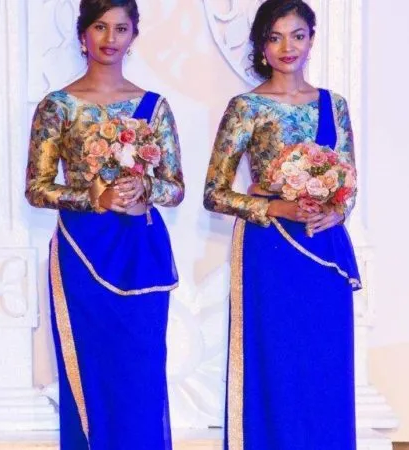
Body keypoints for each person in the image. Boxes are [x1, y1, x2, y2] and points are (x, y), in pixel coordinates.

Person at [25, 1, 184, 448]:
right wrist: (95, 197)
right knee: (92, 364)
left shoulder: (153, 107)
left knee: (141, 365)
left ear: (133, 36)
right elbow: (37, 188)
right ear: (83, 35)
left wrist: (143, 191)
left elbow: (175, 187)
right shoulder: (59, 106)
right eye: (100, 27)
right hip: (82, 248)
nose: (110, 38)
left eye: (121, 28)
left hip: (141, 250)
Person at [203, 0, 360, 448]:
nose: (287, 47)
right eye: (275, 37)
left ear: (311, 40)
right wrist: (275, 208)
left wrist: (337, 212)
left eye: (297, 35)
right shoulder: (246, 107)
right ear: (261, 46)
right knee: (276, 361)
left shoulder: (334, 105)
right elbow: (214, 192)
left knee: (324, 361)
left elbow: (348, 184)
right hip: (269, 251)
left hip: (324, 248)